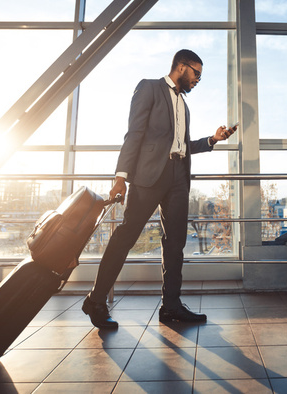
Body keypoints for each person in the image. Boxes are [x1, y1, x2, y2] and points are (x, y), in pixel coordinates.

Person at [82, 49, 236, 328]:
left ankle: (171, 306)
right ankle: (95, 299)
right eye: (196, 73)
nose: (198, 80)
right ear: (181, 66)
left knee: (175, 244)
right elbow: (135, 133)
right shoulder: (149, 87)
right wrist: (120, 177)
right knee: (126, 237)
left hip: (178, 177)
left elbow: (182, 147)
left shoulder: (184, 106)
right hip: (149, 176)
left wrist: (213, 140)